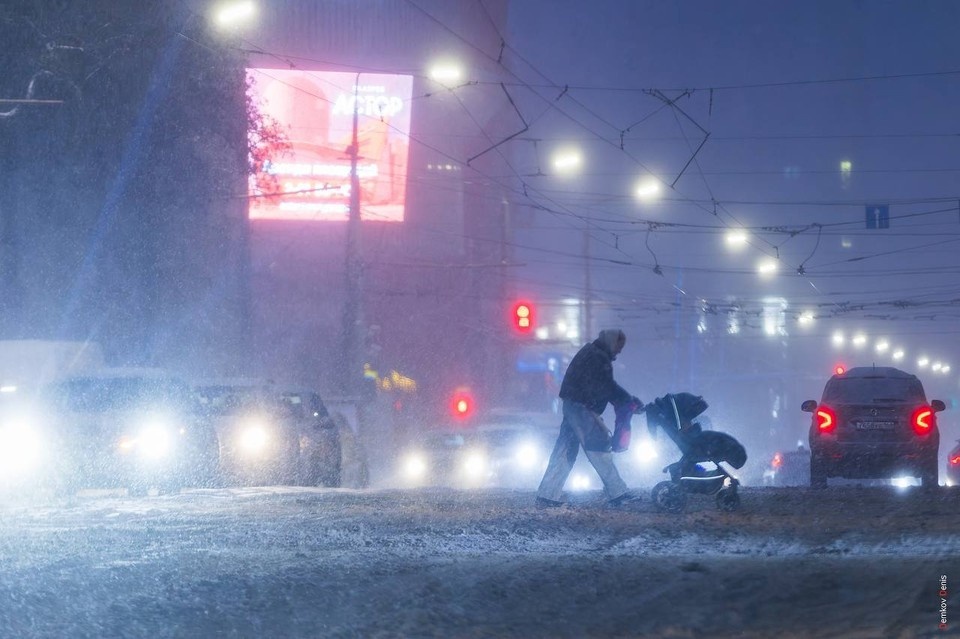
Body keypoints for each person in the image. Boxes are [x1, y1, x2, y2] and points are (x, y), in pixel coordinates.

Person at [535, 328, 643, 508]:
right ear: (612, 342)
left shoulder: (591, 353)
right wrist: (627, 401)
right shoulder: (599, 358)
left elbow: (603, 386)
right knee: (599, 447)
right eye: (619, 346)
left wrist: (627, 399)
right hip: (582, 408)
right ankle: (618, 493)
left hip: (572, 404)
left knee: (565, 449)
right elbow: (607, 386)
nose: (619, 351)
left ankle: (547, 495)